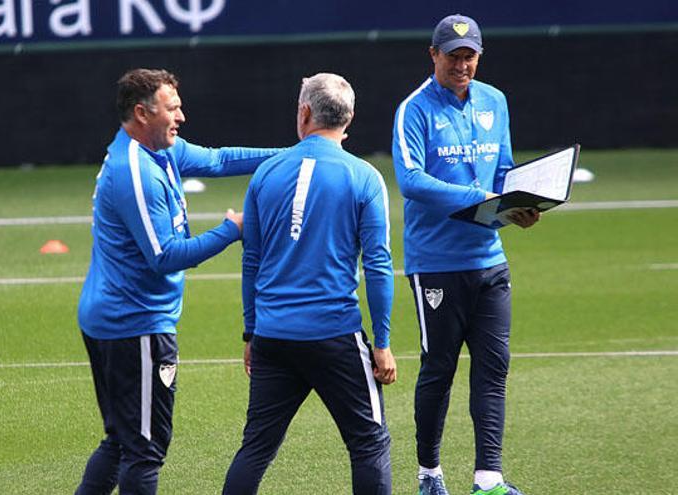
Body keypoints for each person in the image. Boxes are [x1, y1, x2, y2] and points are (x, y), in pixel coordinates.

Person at [75, 68, 283, 495]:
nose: (181, 117)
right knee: (144, 450)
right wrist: (231, 229)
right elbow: (165, 257)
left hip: (117, 319)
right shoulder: (135, 171)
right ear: (141, 113)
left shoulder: (157, 151)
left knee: (122, 441)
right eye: (172, 108)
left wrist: (293, 155)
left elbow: (220, 160)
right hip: (134, 325)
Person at [222, 73, 397, 495]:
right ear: (349, 119)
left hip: (273, 336)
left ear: (304, 113)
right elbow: (378, 265)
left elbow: (251, 260)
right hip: (334, 335)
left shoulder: (266, 173)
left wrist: (251, 331)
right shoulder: (364, 176)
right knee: (369, 444)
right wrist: (382, 342)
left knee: (256, 448)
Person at [391, 14, 539, 495]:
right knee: (439, 370)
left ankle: (488, 479)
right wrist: (478, 198)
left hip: (489, 259)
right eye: (452, 56)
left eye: (469, 56)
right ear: (433, 55)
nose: (461, 65)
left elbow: (504, 170)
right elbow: (411, 181)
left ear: (479, 56)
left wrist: (520, 204)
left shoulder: (495, 100)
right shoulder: (413, 109)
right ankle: (429, 474)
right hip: (436, 262)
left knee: (494, 367)